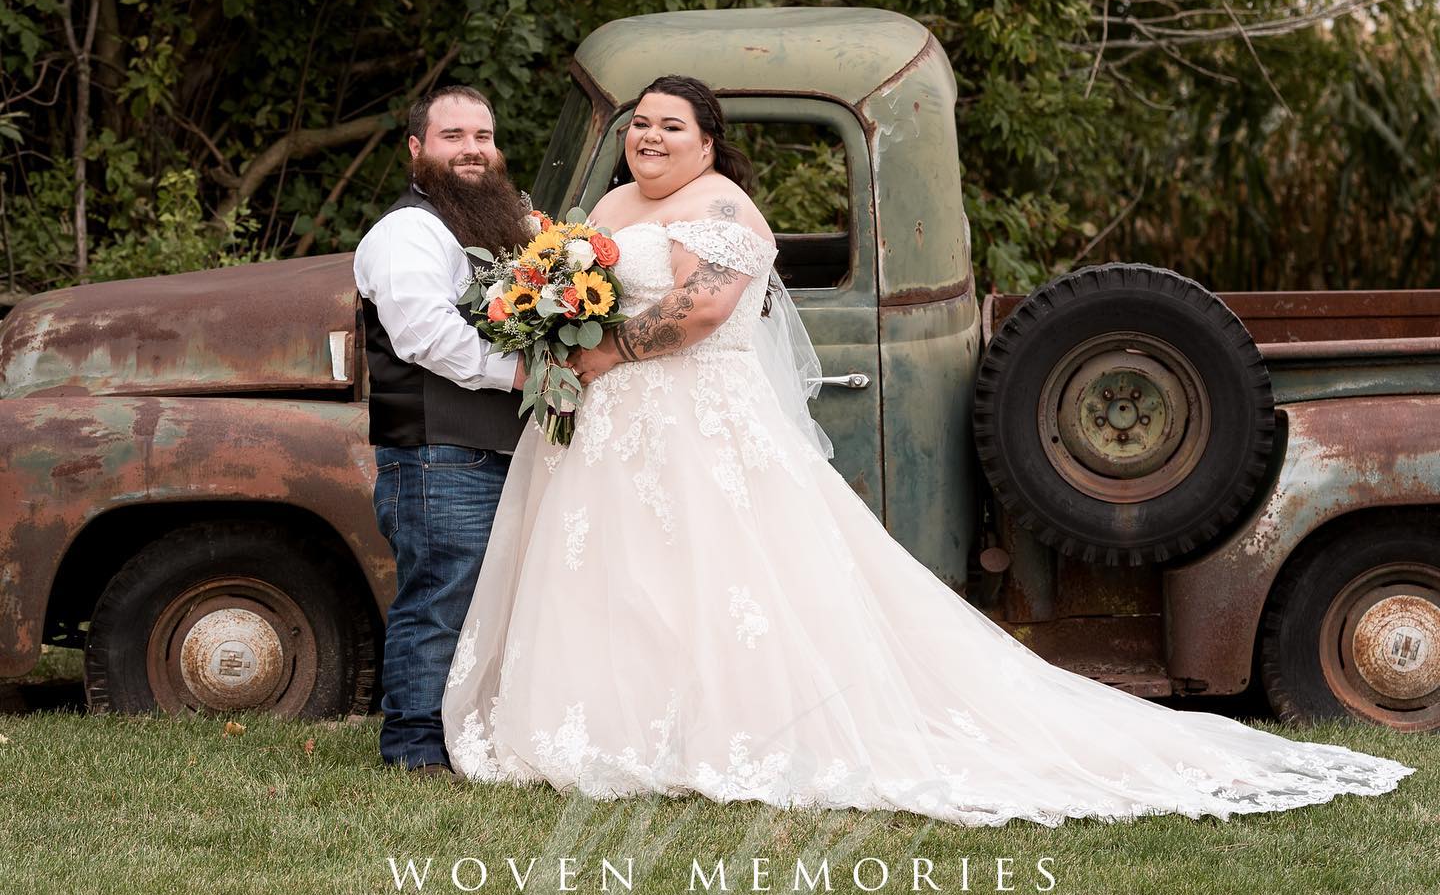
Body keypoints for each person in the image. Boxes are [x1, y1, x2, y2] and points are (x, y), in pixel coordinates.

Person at [440, 75, 1413, 824]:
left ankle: (741, 728)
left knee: (726, 579)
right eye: (641, 123)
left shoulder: (728, 216)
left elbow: (696, 318)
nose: (649, 137)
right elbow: (581, 278)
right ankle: (614, 726)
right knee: (621, 579)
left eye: (671, 127)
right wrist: (554, 311)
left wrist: (602, 351)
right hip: (612, 426)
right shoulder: (608, 212)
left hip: (697, 419)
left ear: (707, 146)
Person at [354, 84, 531, 777]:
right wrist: (520, 376)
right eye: (453, 136)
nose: (471, 150)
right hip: (435, 454)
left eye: (482, 137)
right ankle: (415, 746)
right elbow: (424, 335)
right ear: (417, 148)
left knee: (484, 595)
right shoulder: (409, 231)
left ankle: (468, 732)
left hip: (489, 449)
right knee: (439, 597)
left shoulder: (492, 226)